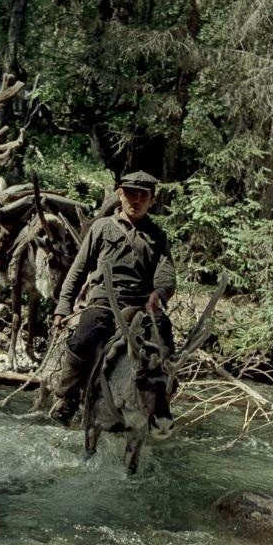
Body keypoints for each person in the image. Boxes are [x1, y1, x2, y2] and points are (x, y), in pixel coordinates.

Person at [49, 170, 176, 426]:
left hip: (141, 305)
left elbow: (166, 271)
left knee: (164, 341)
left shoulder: (157, 235)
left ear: (152, 199)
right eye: (130, 194)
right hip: (104, 301)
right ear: (120, 194)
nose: (135, 200)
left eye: (143, 196)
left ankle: (159, 402)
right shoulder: (102, 227)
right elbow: (78, 268)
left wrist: (159, 292)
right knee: (84, 337)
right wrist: (64, 305)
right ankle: (67, 398)